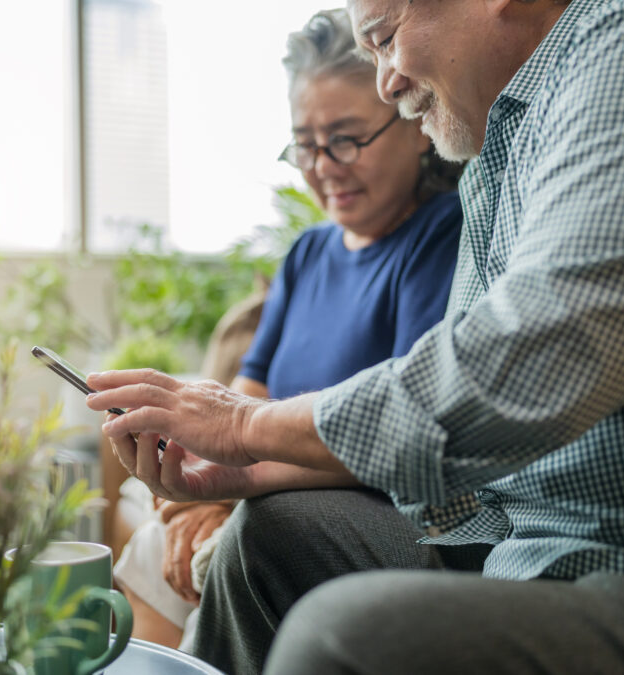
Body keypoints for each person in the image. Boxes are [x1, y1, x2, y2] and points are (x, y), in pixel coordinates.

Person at [88, 0, 624, 672]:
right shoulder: (496, 162)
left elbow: (521, 370)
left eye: (385, 37)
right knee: (272, 539)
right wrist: (243, 472)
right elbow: (471, 474)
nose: (384, 79)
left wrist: (245, 426)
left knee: (350, 632)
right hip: (548, 560)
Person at [110, 8, 469, 651]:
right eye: (305, 144)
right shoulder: (307, 255)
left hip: (361, 506)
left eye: (347, 138)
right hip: (263, 487)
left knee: (240, 540)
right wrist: (204, 492)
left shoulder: (443, 237)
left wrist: (234, 488)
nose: (323, 165)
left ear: (413, 123)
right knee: (157, 541)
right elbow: (248, 391)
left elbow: (404, 431)